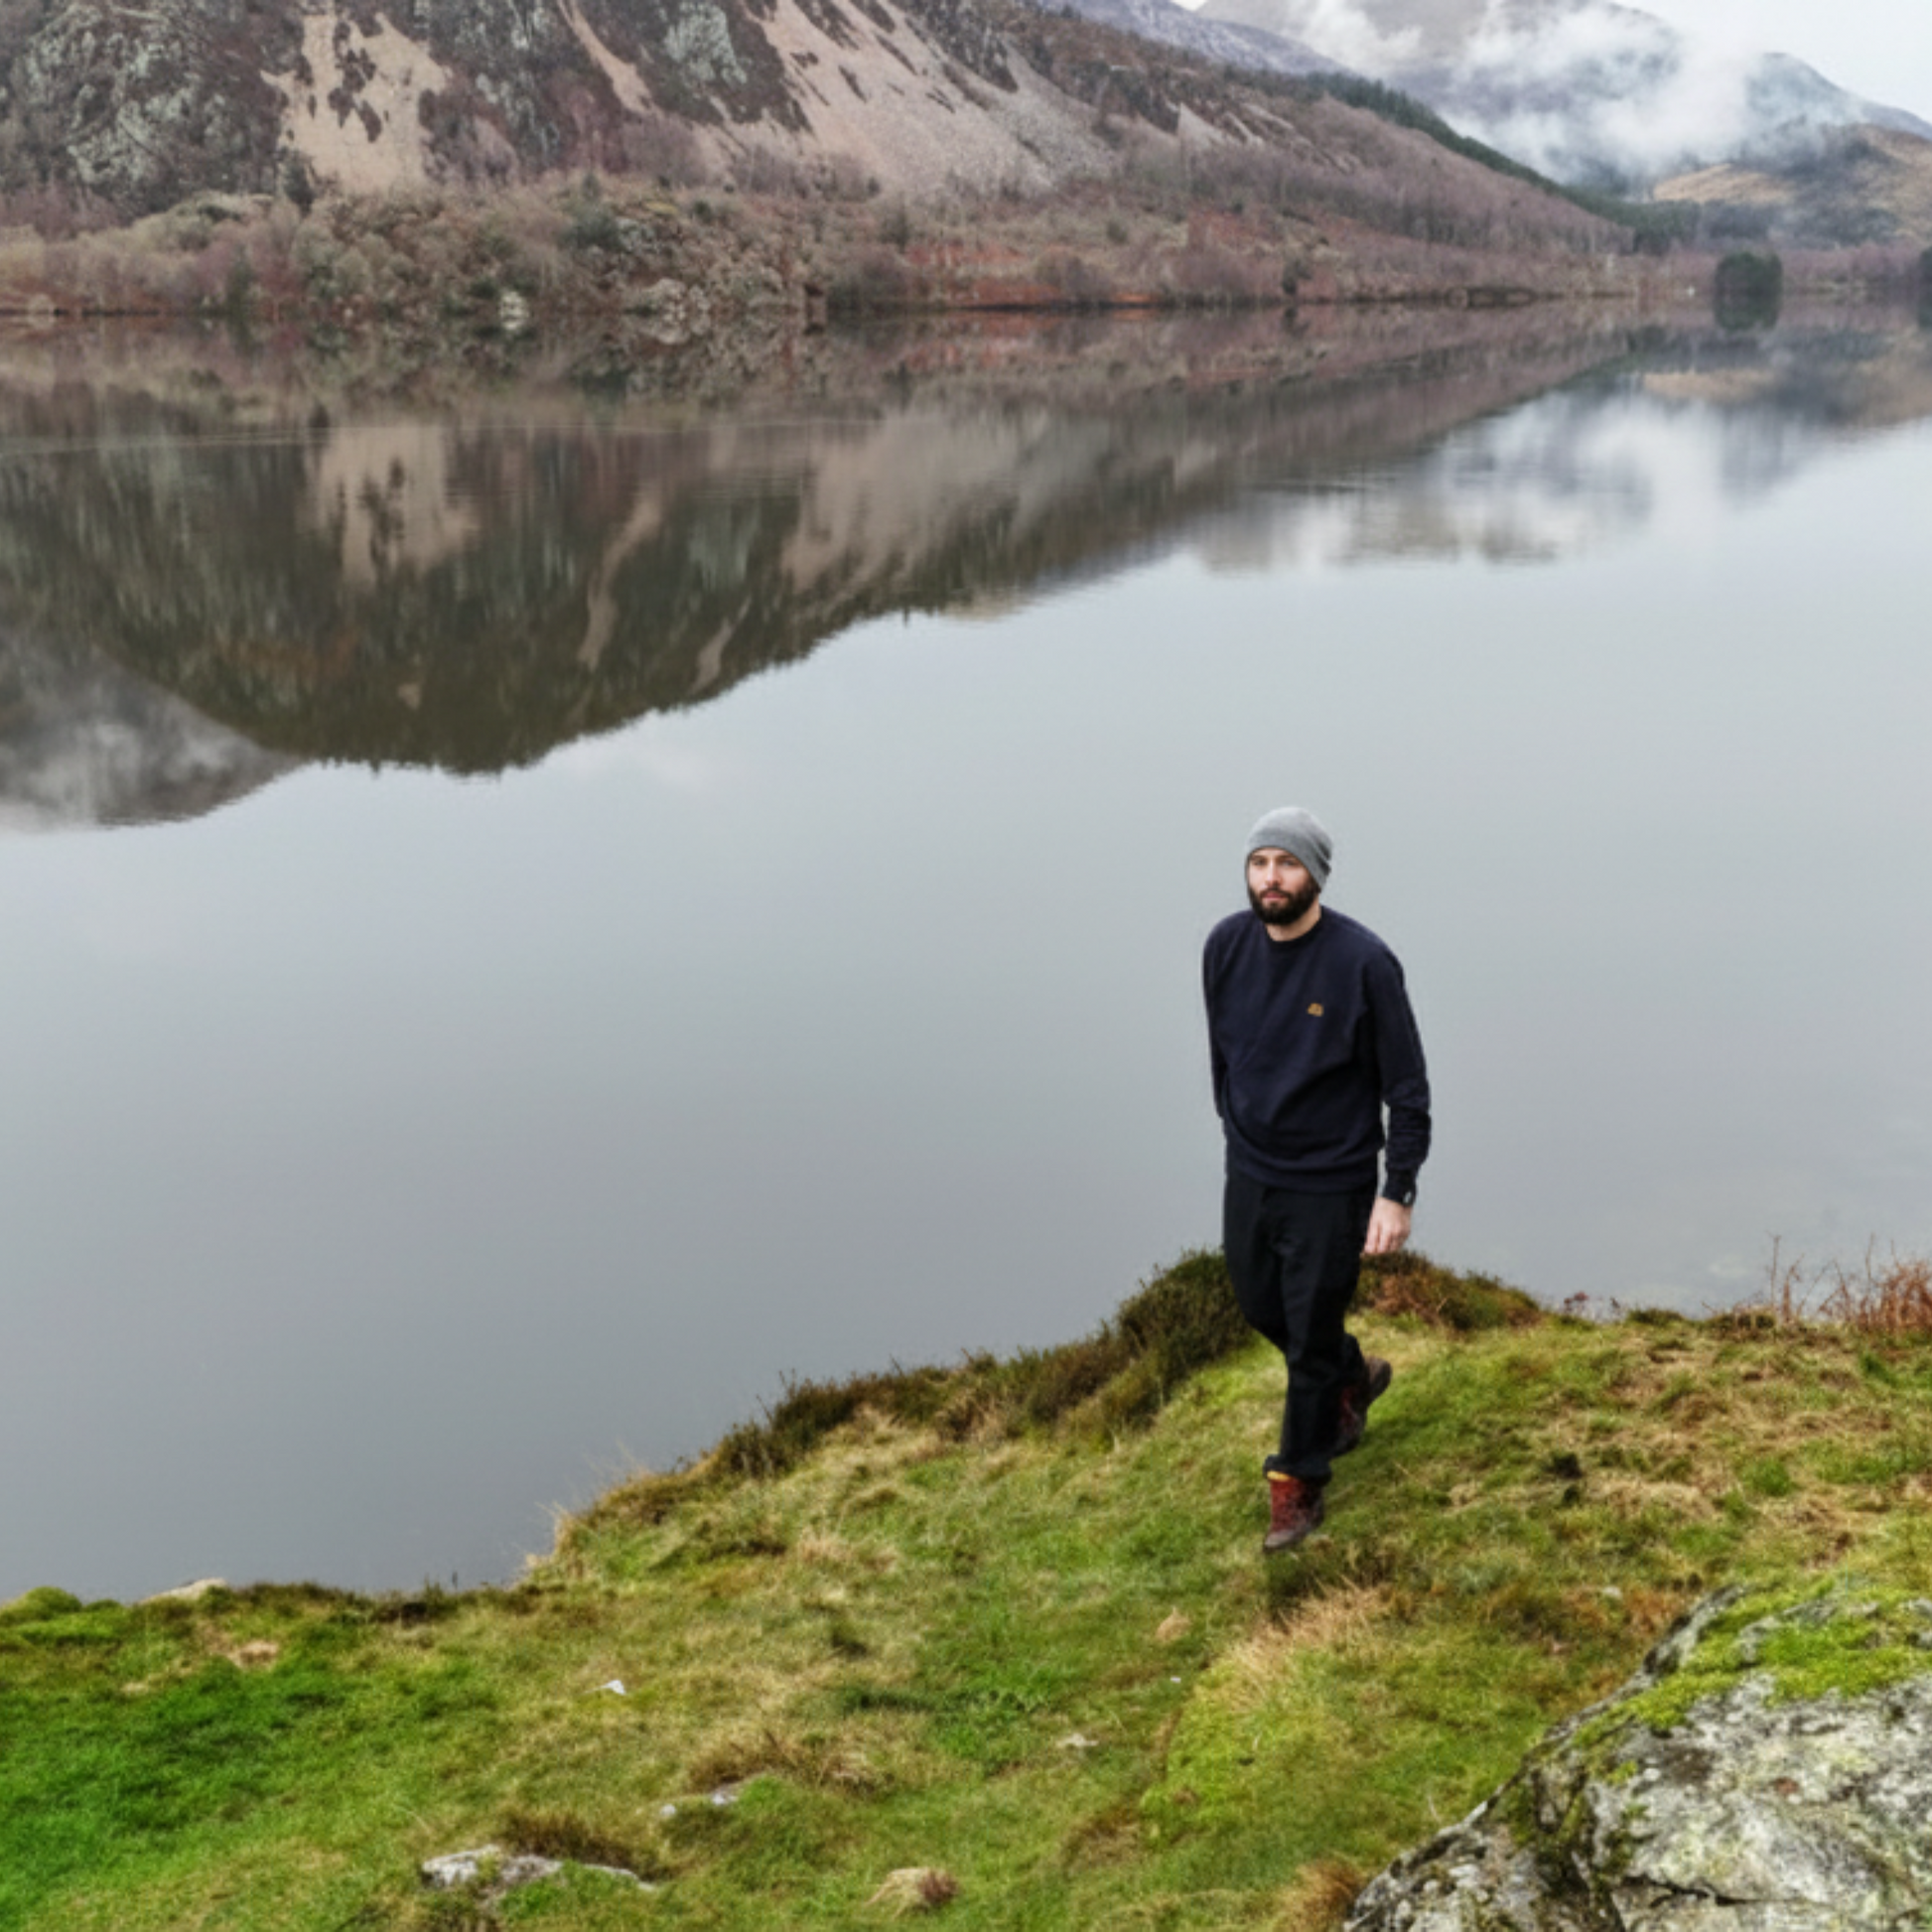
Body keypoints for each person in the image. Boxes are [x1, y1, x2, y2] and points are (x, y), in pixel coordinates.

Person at [1202, 806, 1431, 1553]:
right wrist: (1236, 1131)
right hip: (1253, 1168)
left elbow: (1407, 1086)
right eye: (1261, 863)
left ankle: (1297, 1486)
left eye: (1288, 865)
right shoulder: (1225, 947)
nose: (1271, 878)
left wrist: (1395, 1191)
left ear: (1315, 876)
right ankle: (1351, 1374)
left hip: (1333, 1182)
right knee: (1257, 1303)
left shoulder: (1363, 964)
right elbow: (1224, 1055)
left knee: (1304, 1339)